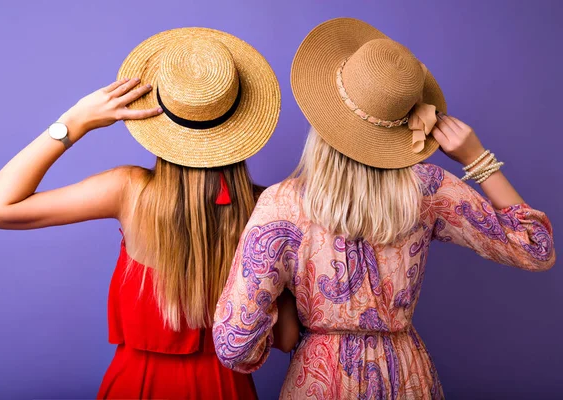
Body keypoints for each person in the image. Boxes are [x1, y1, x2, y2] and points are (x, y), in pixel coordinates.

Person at [212, 18, 555, 399]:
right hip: (407, 377)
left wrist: (288, 323)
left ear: (323, 109)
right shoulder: (428, 190)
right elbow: (535, 247)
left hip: (320, 381)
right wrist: (476, 157)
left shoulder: (281, 204)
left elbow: (234, 342)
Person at [0, 27, 299, 399]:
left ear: (162, 121)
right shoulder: (269, 207)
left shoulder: (127, 191)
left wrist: (74, 122)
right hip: (226, 387)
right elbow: (286, 339)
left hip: (135, 385)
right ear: (241, 124)